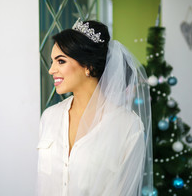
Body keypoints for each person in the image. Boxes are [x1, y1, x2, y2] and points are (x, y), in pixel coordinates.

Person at [37, 19, 153, 196]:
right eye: (52, 61)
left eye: (60, 61)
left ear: (89, 67)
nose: (51, 70)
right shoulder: (49, 117)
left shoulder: (127, 126)